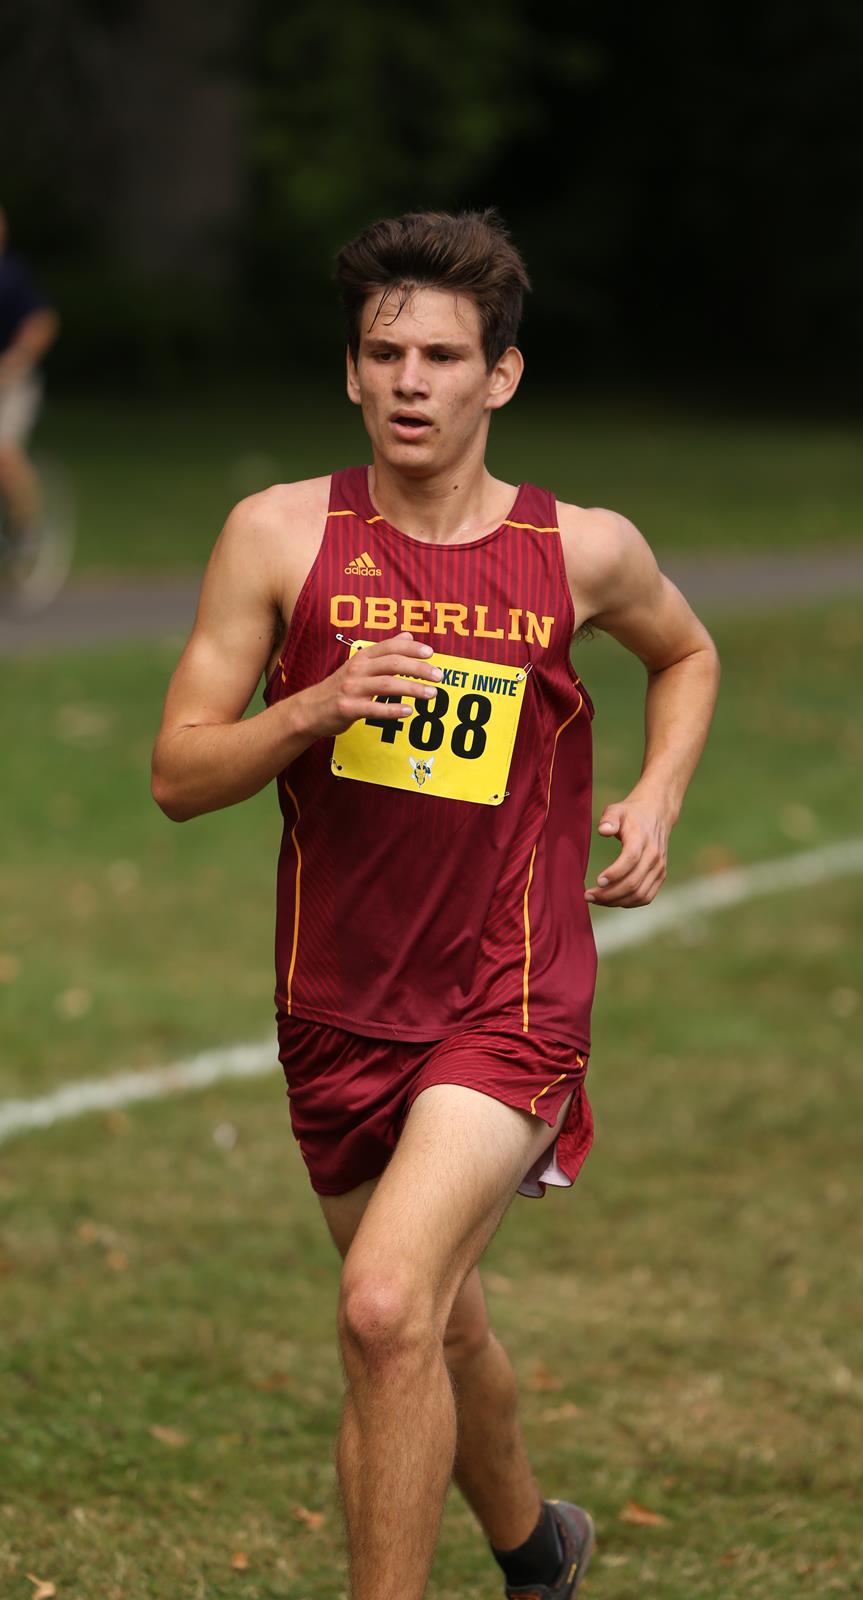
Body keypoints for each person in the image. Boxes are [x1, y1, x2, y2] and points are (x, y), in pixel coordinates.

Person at [152, 209, 720, 1600]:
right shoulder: (279, 537)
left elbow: (687, 652)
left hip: (507, 991)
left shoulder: (576, 551)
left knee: (382, 1305)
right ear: (350, 375)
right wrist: (314, 707)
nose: (411, 382)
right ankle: (537, 1550)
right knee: (437, 1329)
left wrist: (652, 798)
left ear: (499, 378)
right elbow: (177, 772)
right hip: (336, 999)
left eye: (442, 356)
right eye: (383, 353)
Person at [0, 204, 59, 543]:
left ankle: (26, 530)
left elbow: (42, 322)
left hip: (13, 380)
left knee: (4, 451)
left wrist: (18, 357)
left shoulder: (12, 275)